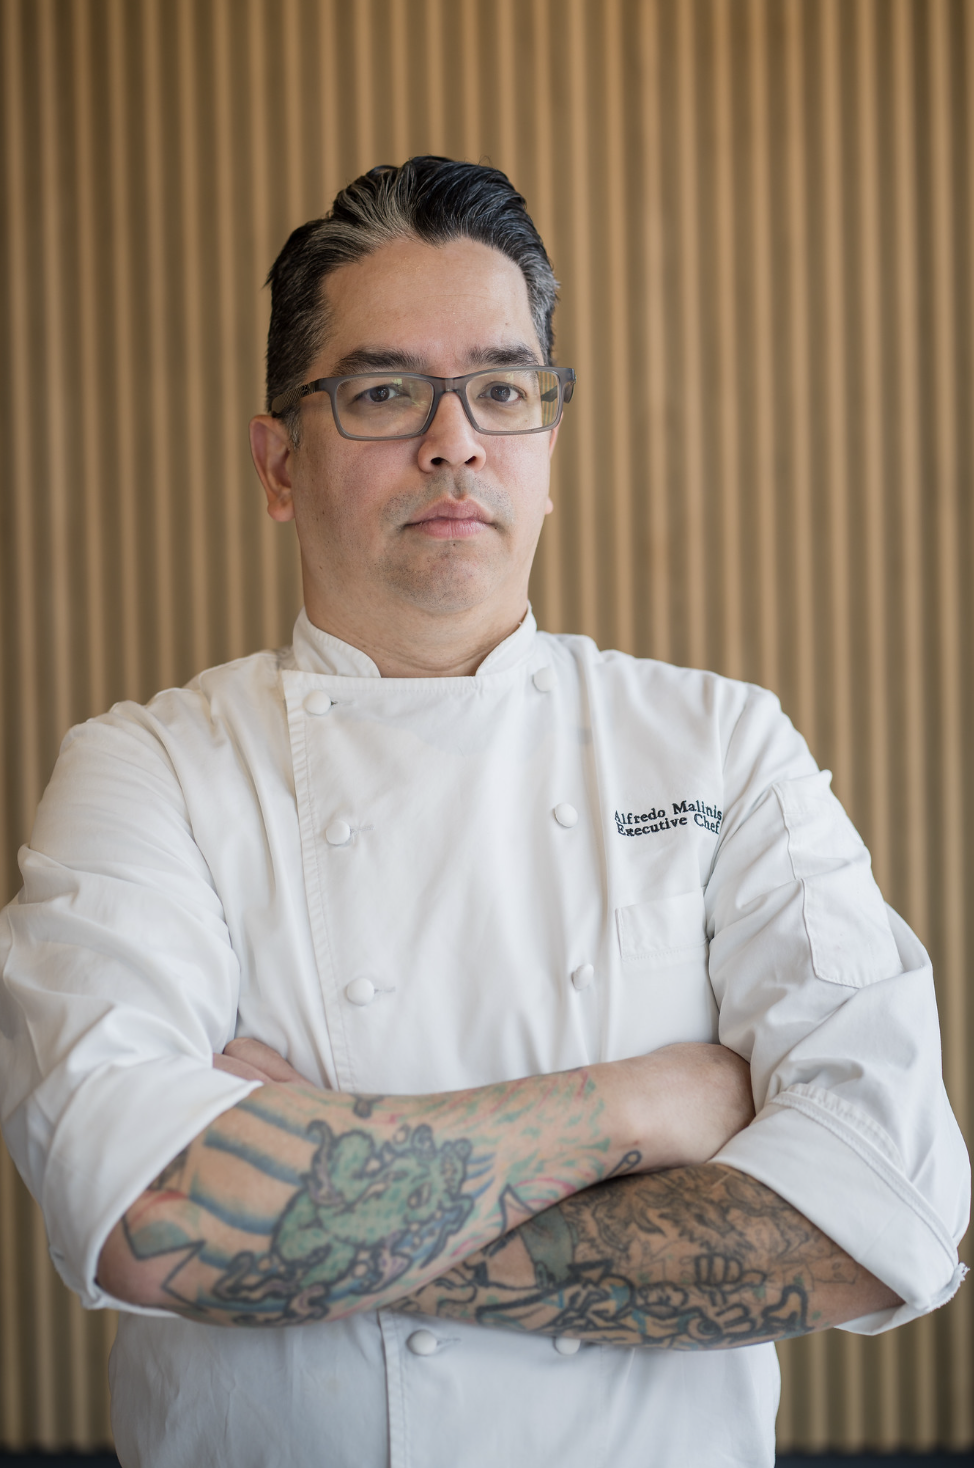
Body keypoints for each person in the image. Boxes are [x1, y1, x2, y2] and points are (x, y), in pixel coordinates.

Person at [0, 157, 967, 1468]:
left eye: (501, 390)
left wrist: (324, 1207)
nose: (454, 438)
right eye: (384, 391)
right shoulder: (149, 772)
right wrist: (637, 1109)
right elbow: (150, 1217)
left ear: (546, 453)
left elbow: (884, 1219)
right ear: (277, 462)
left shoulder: (723, 746)